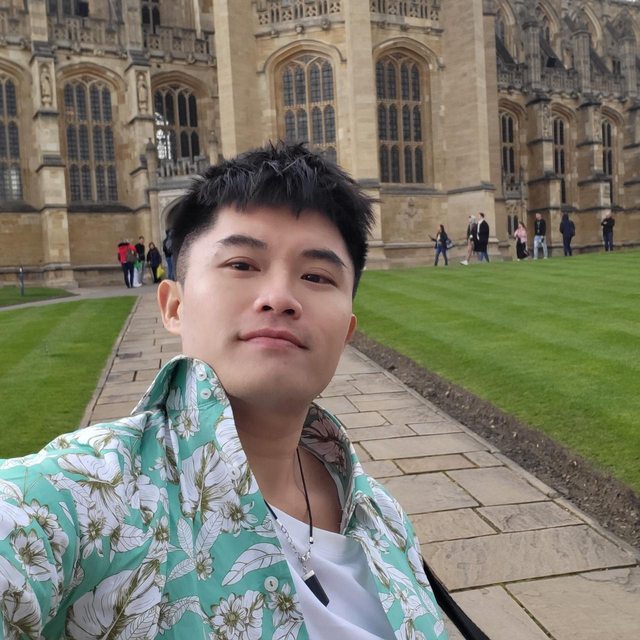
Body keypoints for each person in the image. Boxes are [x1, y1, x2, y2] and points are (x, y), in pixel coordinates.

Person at [0, 144, 447, 640]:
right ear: (173, 307)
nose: (280, 297)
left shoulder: (382, 517)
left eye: (316, 276)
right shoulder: (88, 496)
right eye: (242, 265)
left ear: (347, 331)